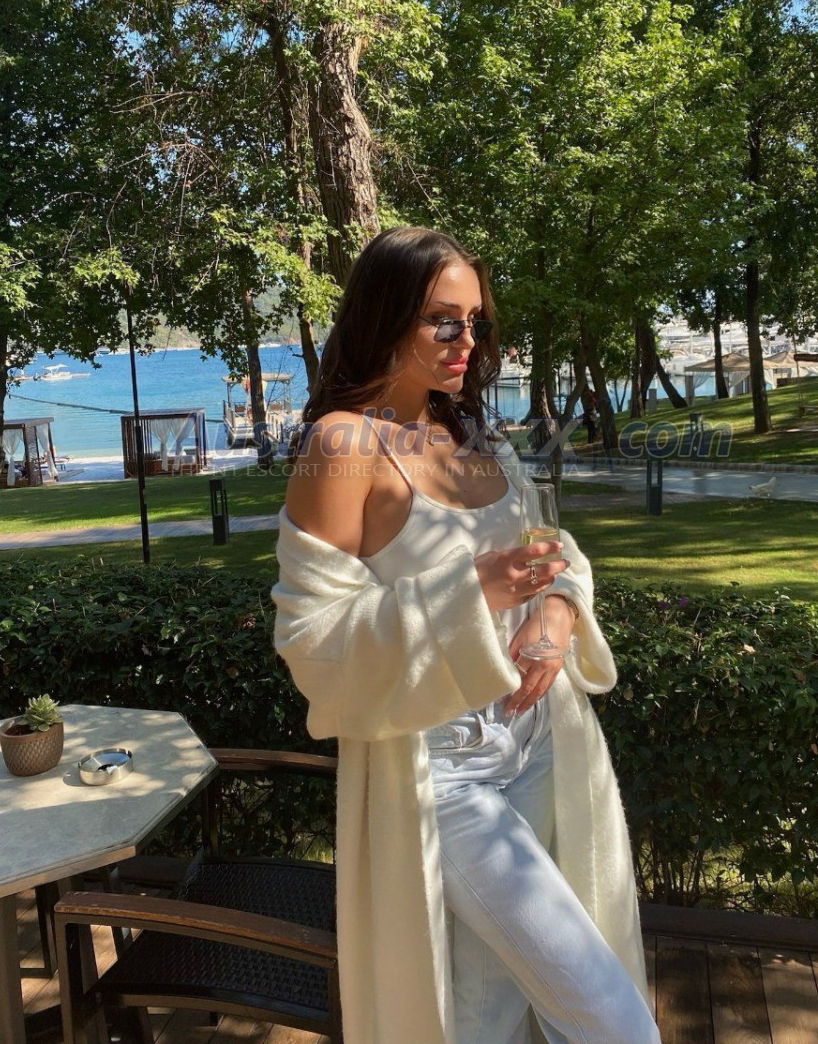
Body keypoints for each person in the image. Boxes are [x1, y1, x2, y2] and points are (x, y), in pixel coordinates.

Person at [272, 226, 660, 1044]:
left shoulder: (474, 432)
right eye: (442, 319)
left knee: (489, 1013)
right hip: (443, 773)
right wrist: (471, 590)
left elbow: (550, 547)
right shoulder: (343, 444)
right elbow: (313, 642)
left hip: (540, 743)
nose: (467, 340)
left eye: (475, 321)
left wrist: (557, 611)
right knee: (614, 1016)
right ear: (385, 314)